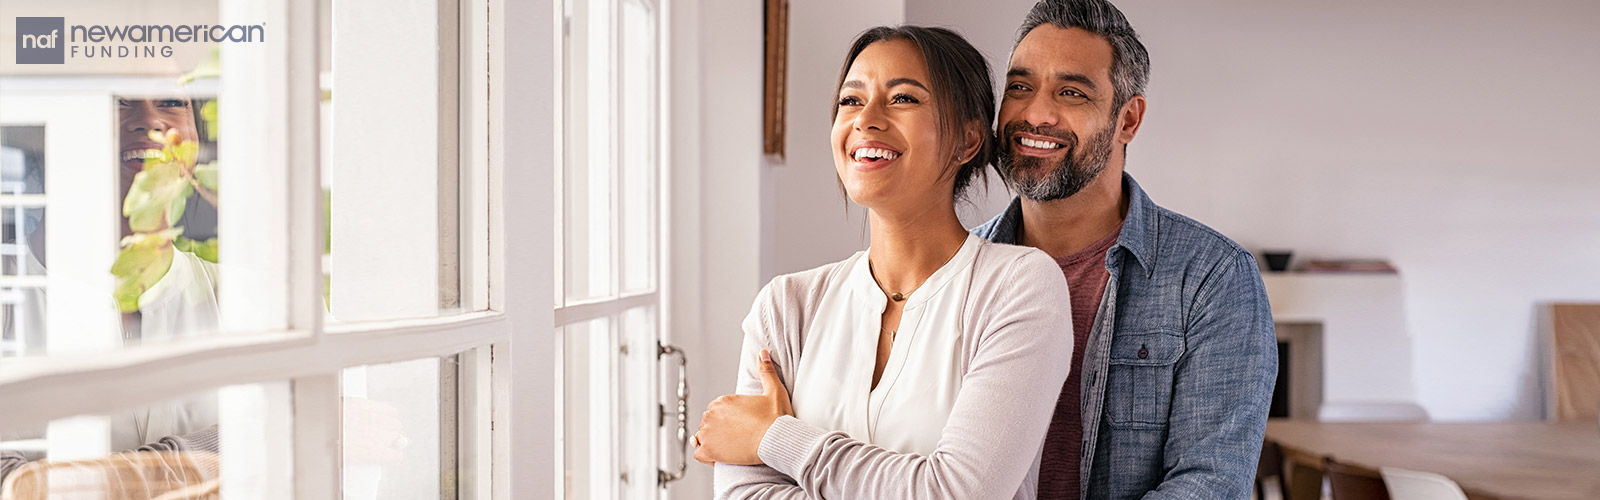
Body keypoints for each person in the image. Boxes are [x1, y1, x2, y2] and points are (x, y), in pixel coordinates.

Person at [693, 26, 1075, 499]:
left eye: (903, 99)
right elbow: (743, 495)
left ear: (969, 140)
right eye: (851, 101)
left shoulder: (1020, 288)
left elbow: (957, 493)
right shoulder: (786, 307)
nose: (866, 120)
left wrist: (773, 437)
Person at [971, 1, 1277, 498]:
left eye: (1071, 92)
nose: (1035, 113)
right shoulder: (962, 265)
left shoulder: (1212, 278)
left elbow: (1210, 484)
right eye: (1020, 87)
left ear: (1128, 120)